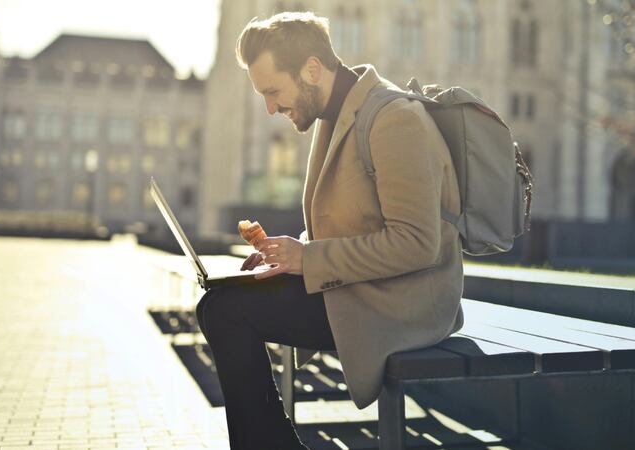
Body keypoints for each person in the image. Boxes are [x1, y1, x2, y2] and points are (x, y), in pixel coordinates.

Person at [195, 11, 464, 450]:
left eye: (273, 91)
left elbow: (417, 243)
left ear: (312, 70)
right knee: (217, 304)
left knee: (226, 312)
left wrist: (309, 260)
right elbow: (353, 224)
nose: (270, 107)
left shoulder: (395, 118)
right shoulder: (335, 117)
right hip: (364, 289)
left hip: (405, 304)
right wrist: (287, 254)